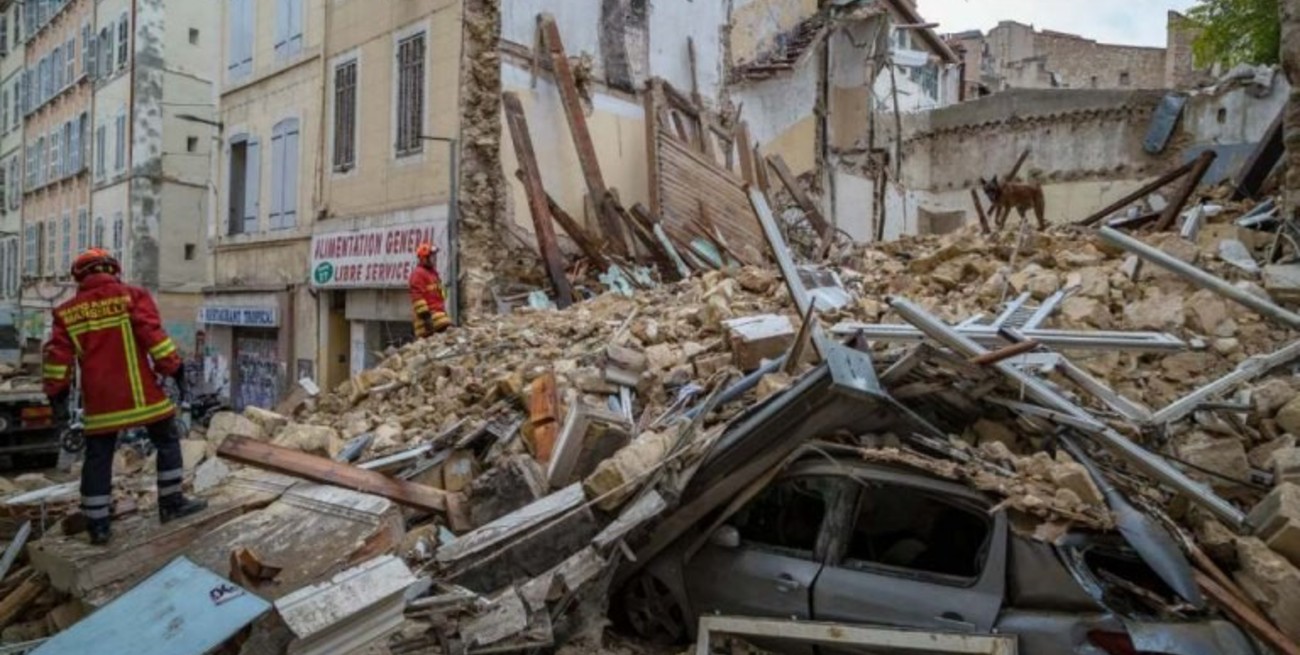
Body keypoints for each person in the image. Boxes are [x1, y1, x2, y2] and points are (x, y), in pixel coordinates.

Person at [42, 248, 207, 545]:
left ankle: (98, 525)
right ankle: (171, 504)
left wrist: (57, 396)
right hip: (141, 393)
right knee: (167, 440)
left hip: (100, 401)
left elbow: (57, 359)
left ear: (79, 276)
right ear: (112, 269)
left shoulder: (66, 312)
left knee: (98, 457)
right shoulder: (132, 296)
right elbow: (154, 338)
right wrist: (175, 369)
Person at [409, 242, 452, 338]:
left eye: (434, 257)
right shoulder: (418, 274)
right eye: (432, 257)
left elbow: (442, 295)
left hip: (438, 317)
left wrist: (443, 288)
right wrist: (427, 318)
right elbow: (417, 298)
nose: (435, 259)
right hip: (428, 322)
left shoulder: (433, 273)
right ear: (424, 258)